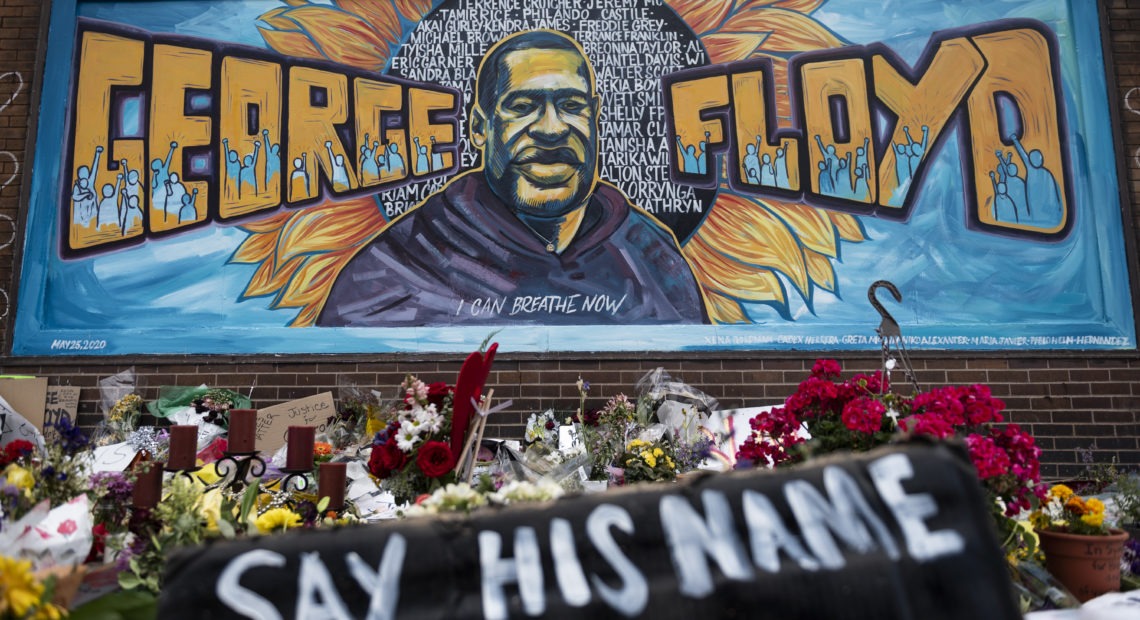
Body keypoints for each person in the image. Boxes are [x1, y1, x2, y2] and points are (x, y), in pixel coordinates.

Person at [317, 30, 707, 326]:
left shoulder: (650, 256)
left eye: (571, 105)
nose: (552, 130)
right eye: (522, 106)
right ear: (479, 127)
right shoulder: (398, 265)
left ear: (595, 115)